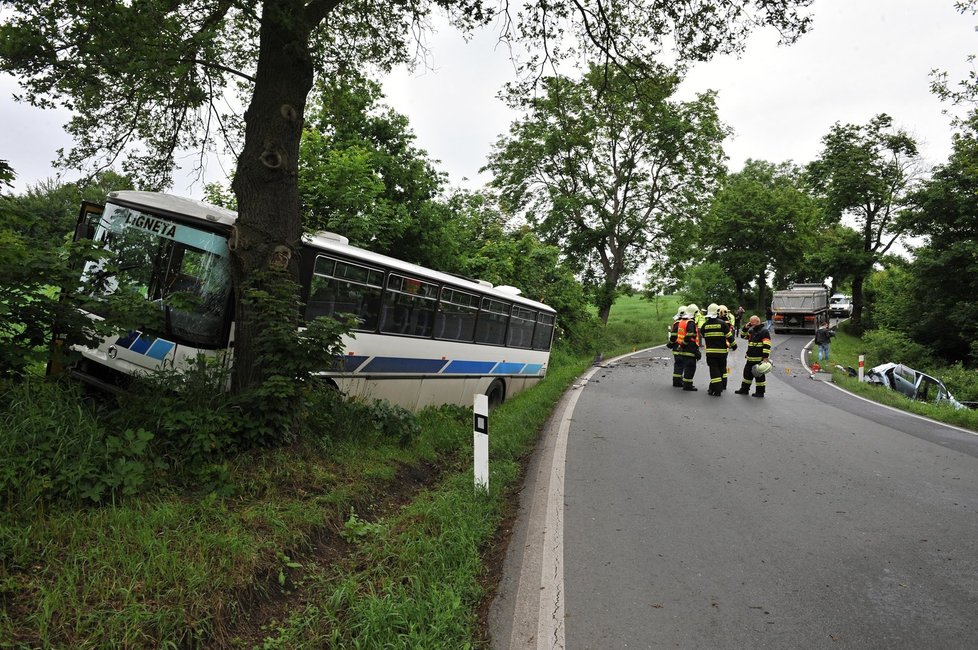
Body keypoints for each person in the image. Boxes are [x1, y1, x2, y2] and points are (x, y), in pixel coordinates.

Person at [701, 304, 734, 396]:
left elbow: (703, 335)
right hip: (722, 353)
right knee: (721, 369)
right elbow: (729, 337)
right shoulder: (723, 324)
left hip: (711, 352)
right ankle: (716, 387)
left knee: (714, 370)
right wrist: (734, 346)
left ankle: (716, 389)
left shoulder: (705, 325)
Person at [735, 315, 772, 398]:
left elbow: (767, 345)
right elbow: (743, 336)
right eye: (750, 322)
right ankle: (744, 390)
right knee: (747, 375)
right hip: (750, 358)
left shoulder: (764, 331)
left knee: (759, 377)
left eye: (752, 322)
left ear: (758, 322)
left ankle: (760, 392)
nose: (751, 323)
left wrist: (765, 357)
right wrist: (745, 327)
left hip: (759, 359)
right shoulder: (751, 330)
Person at [667, 306, 700, 391]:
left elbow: (673, 336)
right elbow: (689, 335)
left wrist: (670, 344)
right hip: (686, 347)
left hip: (677, 347)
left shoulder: (678, 322)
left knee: (678, 364)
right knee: (688, 366)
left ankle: (677, 381)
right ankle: (686, 384)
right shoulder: (688, 322)